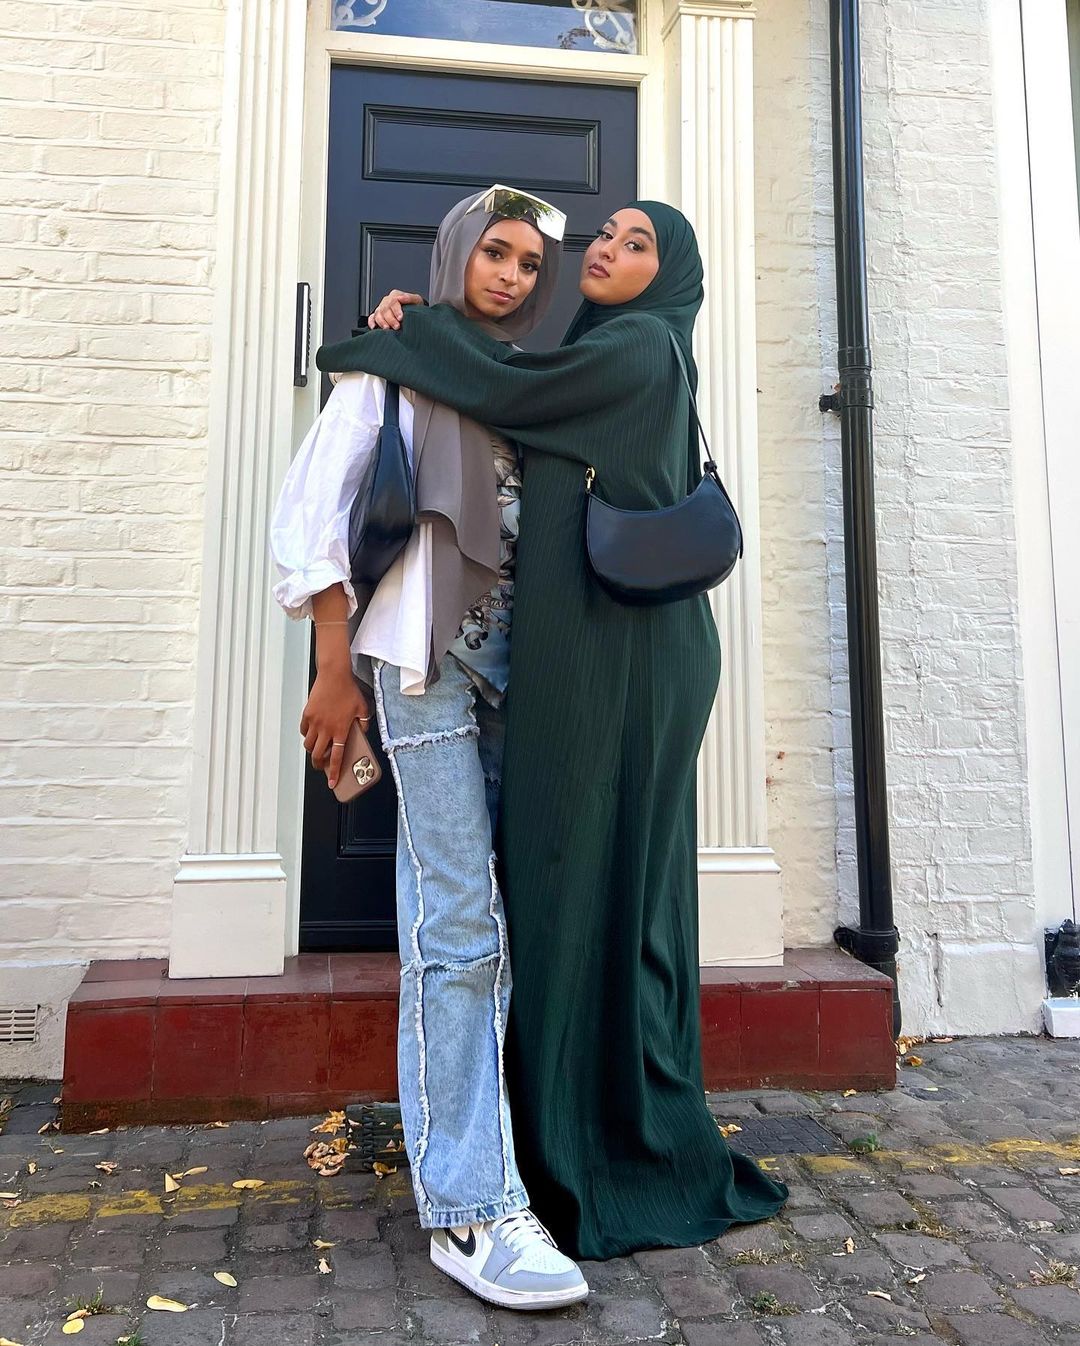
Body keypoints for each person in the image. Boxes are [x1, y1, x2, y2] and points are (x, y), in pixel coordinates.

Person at [316, 202, 790, 1261]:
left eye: (635, 244)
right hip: (579, 660)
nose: (602, 253)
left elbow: (504, 389)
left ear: (671, 274)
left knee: (600, 887)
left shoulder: (637, 347)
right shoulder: (588, 354)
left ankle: (594, 1142)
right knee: (563, 888)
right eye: (602, 238)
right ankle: (547, 1134)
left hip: (633, 662)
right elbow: (502, 393)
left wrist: (388, 335)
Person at [270, 189, 590, 1309]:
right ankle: (471, 1208)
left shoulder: (524, 381)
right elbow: (314, 519)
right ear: (458, 251)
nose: (511, 275)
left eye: (529, 264)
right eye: (494, 252)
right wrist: (331, 672)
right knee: (460, 925)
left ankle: (486, 1157)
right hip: (421, 673)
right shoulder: (393, 363)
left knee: (472, 919)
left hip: (520, 683)